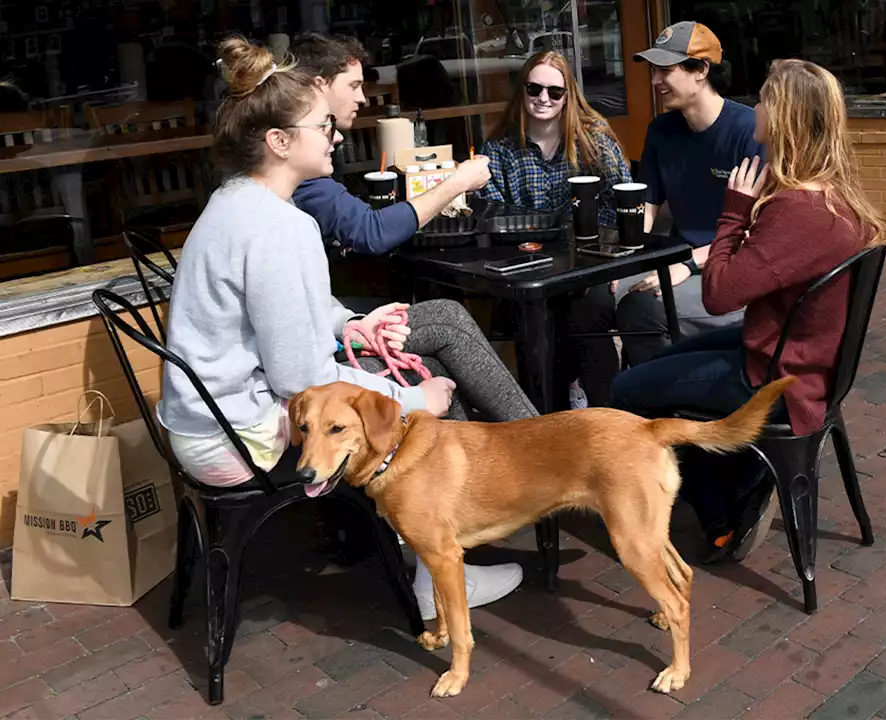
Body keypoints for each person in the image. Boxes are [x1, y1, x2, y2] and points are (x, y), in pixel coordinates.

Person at [157, 37, 530, 623]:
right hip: (239, 438)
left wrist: (350, 323)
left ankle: (465, 524)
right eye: (321, 126)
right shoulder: (282, 228)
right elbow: (303, 378)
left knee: (421, 351)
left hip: (203, 423)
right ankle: (440, 569)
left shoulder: (235, 203)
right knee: (424, 396)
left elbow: (292, 309)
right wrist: (413, 400)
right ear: (279, 142)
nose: (335, 135)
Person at [611, 59, 886, 562]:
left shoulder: (797, 210)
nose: (755, 106)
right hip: (790, 353)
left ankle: (724, 509)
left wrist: (735, 212)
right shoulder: (828, 194)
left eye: (764, 99)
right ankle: (740, 469)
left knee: (626, 390)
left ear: (783, 117)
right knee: (660, 364)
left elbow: (718, 294)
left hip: (779, 378)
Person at [477, 50, 632, 407]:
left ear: (568, 97)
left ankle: (609, 414)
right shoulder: (499, 151)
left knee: (584, 309)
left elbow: (619, 202)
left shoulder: (594, 141)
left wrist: (603, 259)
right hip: (529, 267)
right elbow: (494, 218)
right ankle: (550, 413)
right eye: (535, 89)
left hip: (586, 263)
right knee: (533, 313)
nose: (543, 98)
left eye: (555, 92)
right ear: (523, 90)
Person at [615, 21, 764, 366]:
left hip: (729, 268)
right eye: (653, 72)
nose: (654, 82)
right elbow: (648, 210)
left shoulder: (749, 132)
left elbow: (758, 231)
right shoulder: (661, 130)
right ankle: (606, 405)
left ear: (700, 71)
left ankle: (658, 406)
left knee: (642, 309)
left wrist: (687, 263)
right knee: (592, 300)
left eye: (664, 71)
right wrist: (622, 265)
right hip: (677, 263)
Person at [289, 32, 492, 255]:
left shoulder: (304, 148)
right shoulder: (299, 155)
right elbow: (370, 232)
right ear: (320, 86)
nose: (362, 98)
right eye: (353, 85)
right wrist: (458, 182)